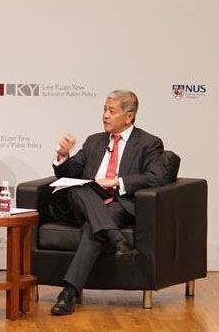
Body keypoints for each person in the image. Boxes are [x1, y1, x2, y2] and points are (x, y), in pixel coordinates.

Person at [49, 90, 166, 316]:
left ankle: (69, 293)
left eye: (111, 111)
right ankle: (114, 235)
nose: (105, 115)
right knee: (78, 187)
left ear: (129, 116)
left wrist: (117, 181)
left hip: (117, 204)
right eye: (104, 109)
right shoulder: (94, 141)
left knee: (92, 229)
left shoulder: (148, 143)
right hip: (84, 200)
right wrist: (63, 155)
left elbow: (156, 176)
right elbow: (70, 172)